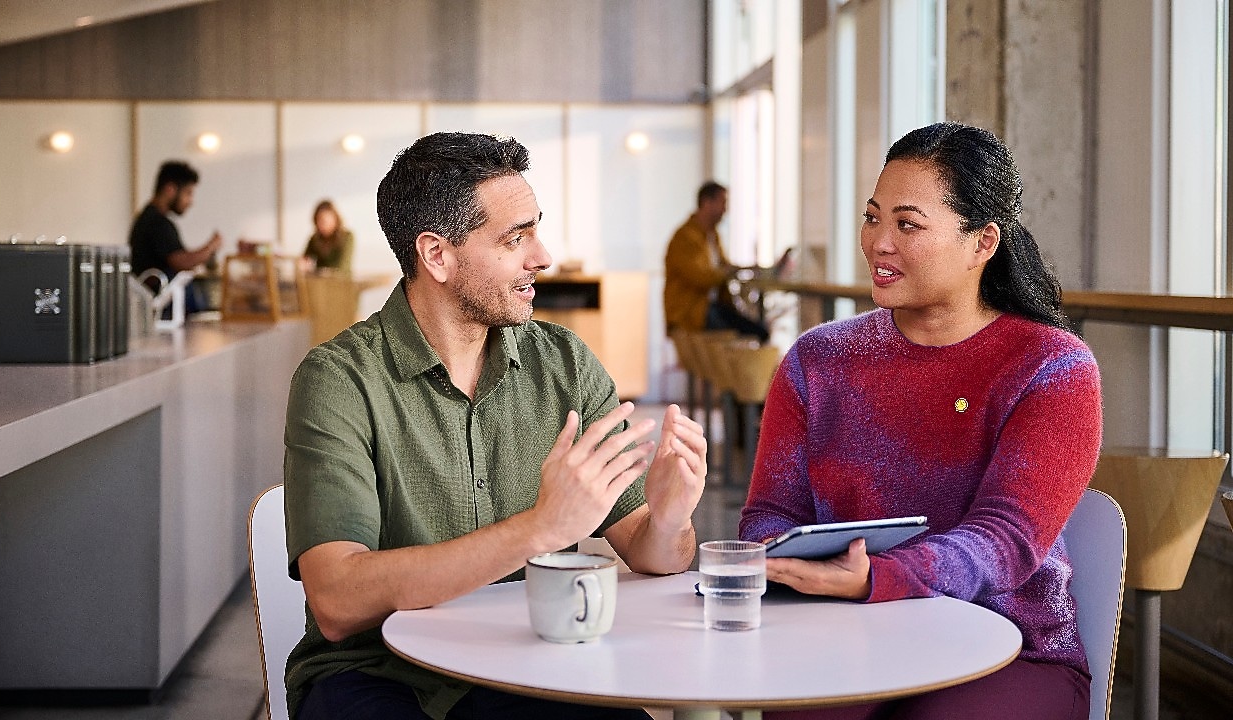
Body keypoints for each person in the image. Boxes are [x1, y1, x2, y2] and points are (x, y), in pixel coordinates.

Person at [283, 132, 707, 720]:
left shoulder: (564, 364)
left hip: (525, 663)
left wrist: (668, 517)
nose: (543, 256)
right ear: (437, 256)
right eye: (516, 238)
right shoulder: (339, 380)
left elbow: (654, 553)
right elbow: (335, 598)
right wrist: (539, 528)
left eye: (536, 229)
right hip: (377, 674)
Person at [739, 122, 1102, 720]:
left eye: (907, 224)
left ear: (983, 242)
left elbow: (1006, 540)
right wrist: (775, 558)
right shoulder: (816, 360)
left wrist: (879, 577)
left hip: (1007, 642)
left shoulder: (1052, 366)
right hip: (839, 631)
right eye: (872, 216)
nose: (879, 242)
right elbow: (771, 515)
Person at [663, 181, 769, 343]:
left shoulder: (712, 235)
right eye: (723, 203)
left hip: (709, 308)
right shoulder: (685, 237)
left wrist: (746, 268)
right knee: (747, 333)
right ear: (707, 202)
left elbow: (723, 267)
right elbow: (701, 277)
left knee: (758, 329)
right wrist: (730, 272)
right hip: (691, 313)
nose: (725, 210)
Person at [128, 160, 221, 312]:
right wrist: (211, 246)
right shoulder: (157, 222)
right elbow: (181, 262)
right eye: (188, 193)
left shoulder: (149, 218)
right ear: (170, 189)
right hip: (162, 310)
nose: (190, 201)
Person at [303, 199, 355, 273]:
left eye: (325, 220)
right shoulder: (315, 239)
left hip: (341, 282)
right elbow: (304, 259)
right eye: (319, 221)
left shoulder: (347, 237)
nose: (322, 225)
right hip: (319, 282)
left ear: (335, 219)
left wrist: (323, 272)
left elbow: (342, 267)